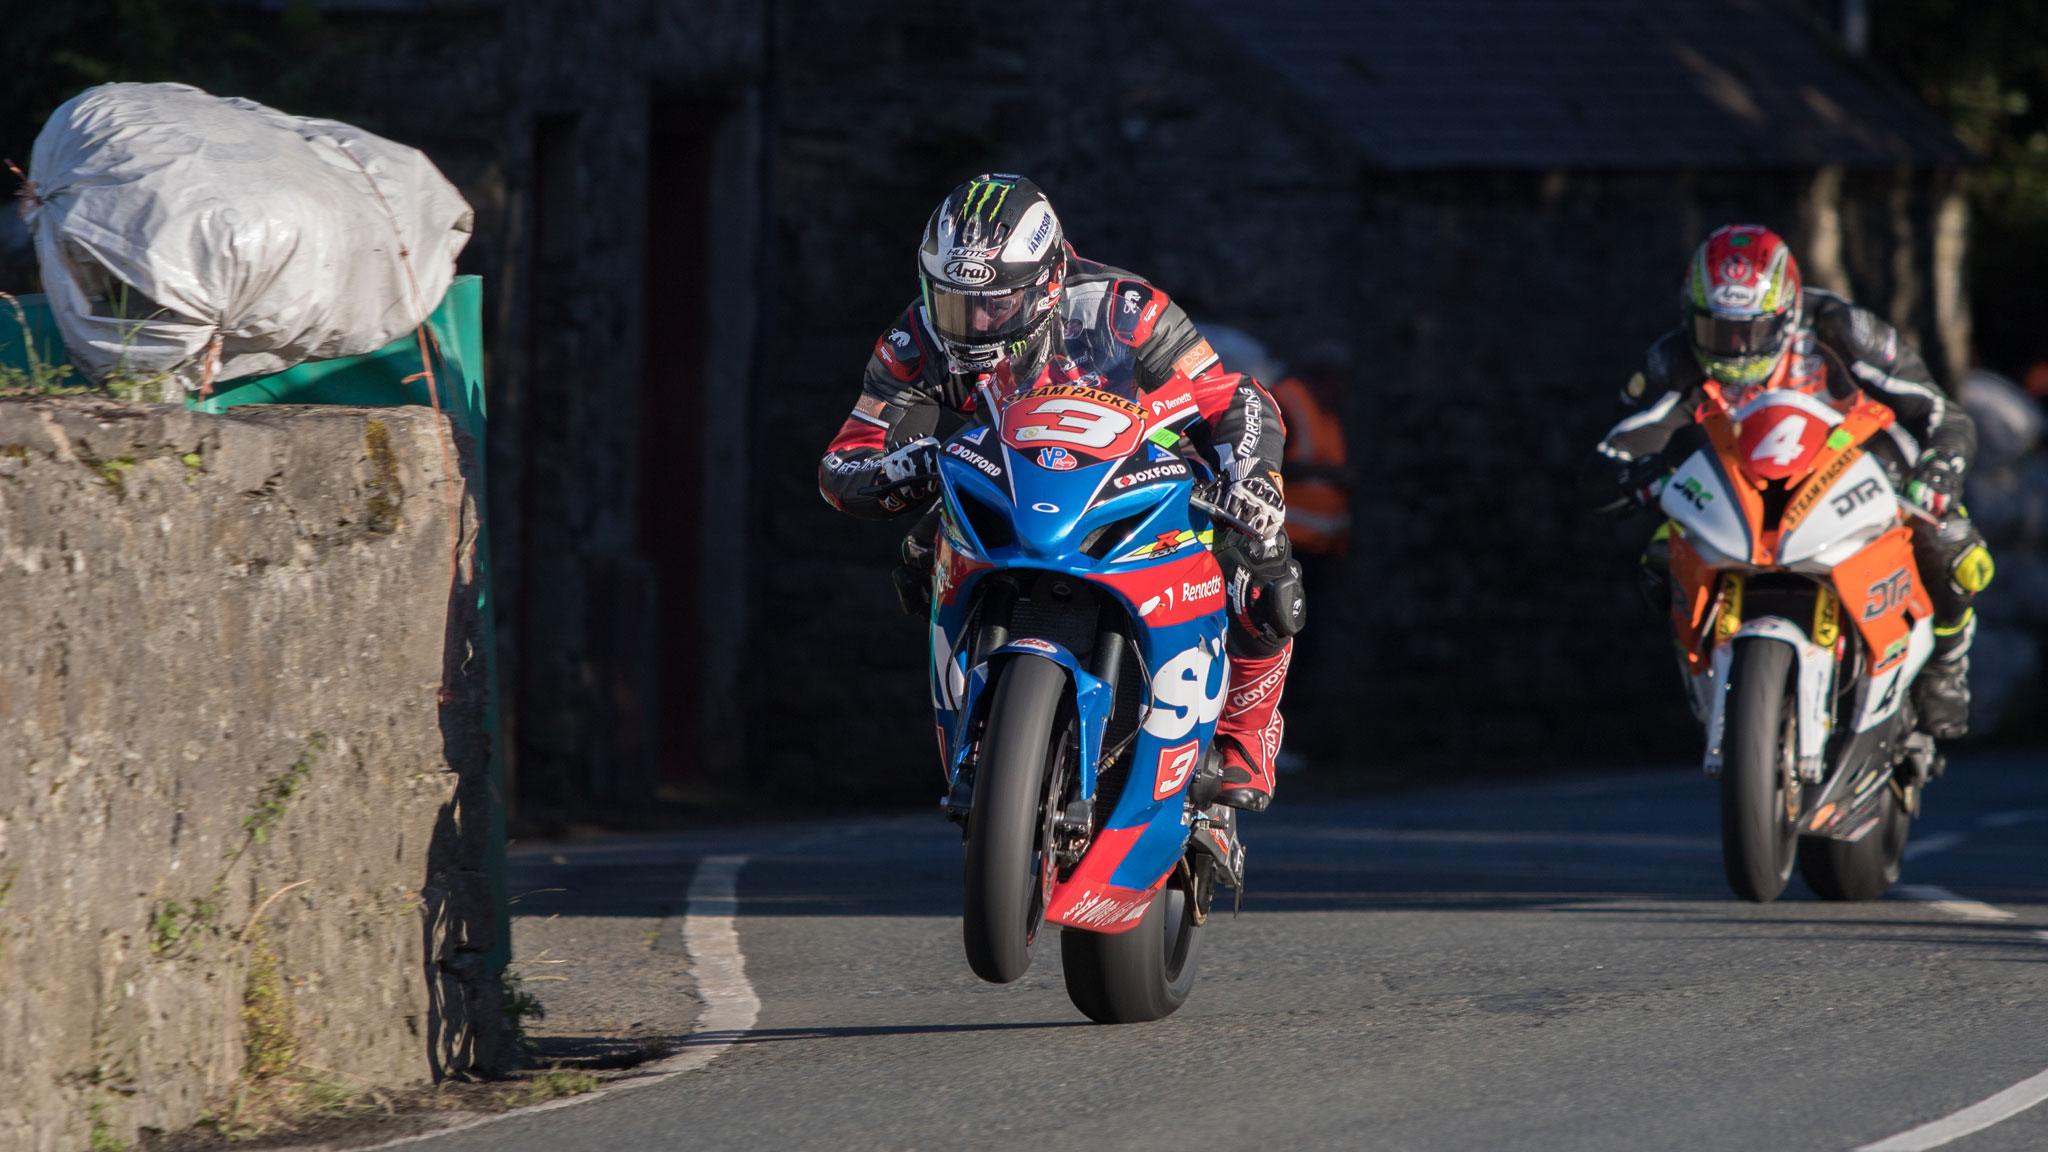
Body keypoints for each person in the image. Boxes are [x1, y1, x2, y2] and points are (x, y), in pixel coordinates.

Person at [819, 174, 1304, 809]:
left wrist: (1252, 479)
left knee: (1265, 572)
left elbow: (1230, 396)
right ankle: (982, 727)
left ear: (1046, 282)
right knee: (919, 559)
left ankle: (1245, 743)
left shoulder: (1128, 312)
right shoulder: (919, 337)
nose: (970, 323)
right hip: (1015, 491)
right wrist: (892, 473)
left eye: (994, 303)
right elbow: (846, 454)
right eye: (952, 301)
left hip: (1141, 489)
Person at [1588, 224, 1994, 739]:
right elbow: (1625, 441)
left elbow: (1938, 409)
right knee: (1659, 562)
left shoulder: (1841, 328)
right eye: (1719, 332)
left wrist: (1940, 467)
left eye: (1750, 332)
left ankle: (1946, 666)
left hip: (1853, 469)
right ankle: (1714, 675)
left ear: (1785, 313)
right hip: (1738, 495)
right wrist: (1627, 475)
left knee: (1952, 544)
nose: (1735, 351)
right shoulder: (1675, 358)